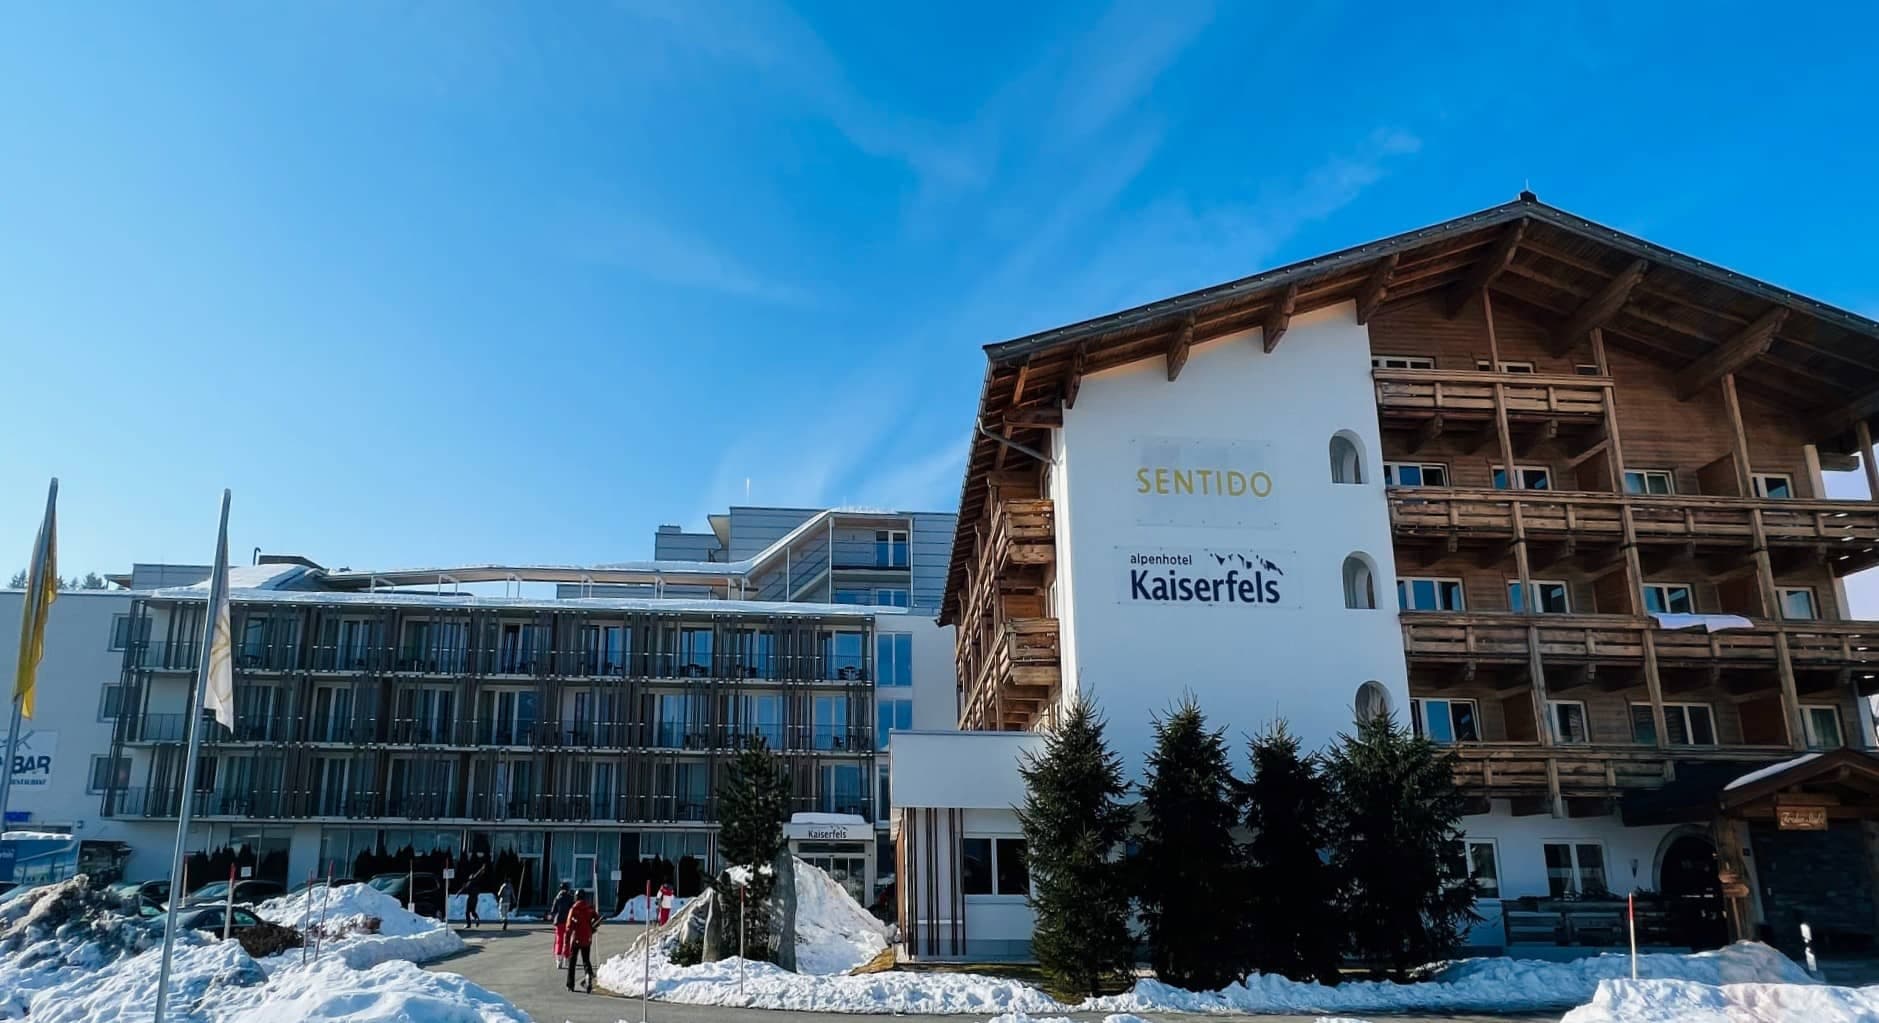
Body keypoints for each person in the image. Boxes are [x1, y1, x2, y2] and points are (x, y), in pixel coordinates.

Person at [564, 889, 600, 993]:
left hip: (576, 938)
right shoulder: (589, 908)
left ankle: (570, 984)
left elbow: (568, 927)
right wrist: (592, 928)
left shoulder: (574, 909)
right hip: (587, 938)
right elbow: (597, 919)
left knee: (572, 962)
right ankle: (588, 977)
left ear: (576, 897)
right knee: (586, 960)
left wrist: (566, 943)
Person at [550, 881, 576, 969]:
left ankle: (558, 959)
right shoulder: (570, 898)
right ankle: (566, 958)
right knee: (567, 940)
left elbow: (553, 911)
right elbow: (573, 910)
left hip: (559, 921)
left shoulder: (557, 898)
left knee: (559, 940)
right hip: (567, 921)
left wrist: (553, 916)